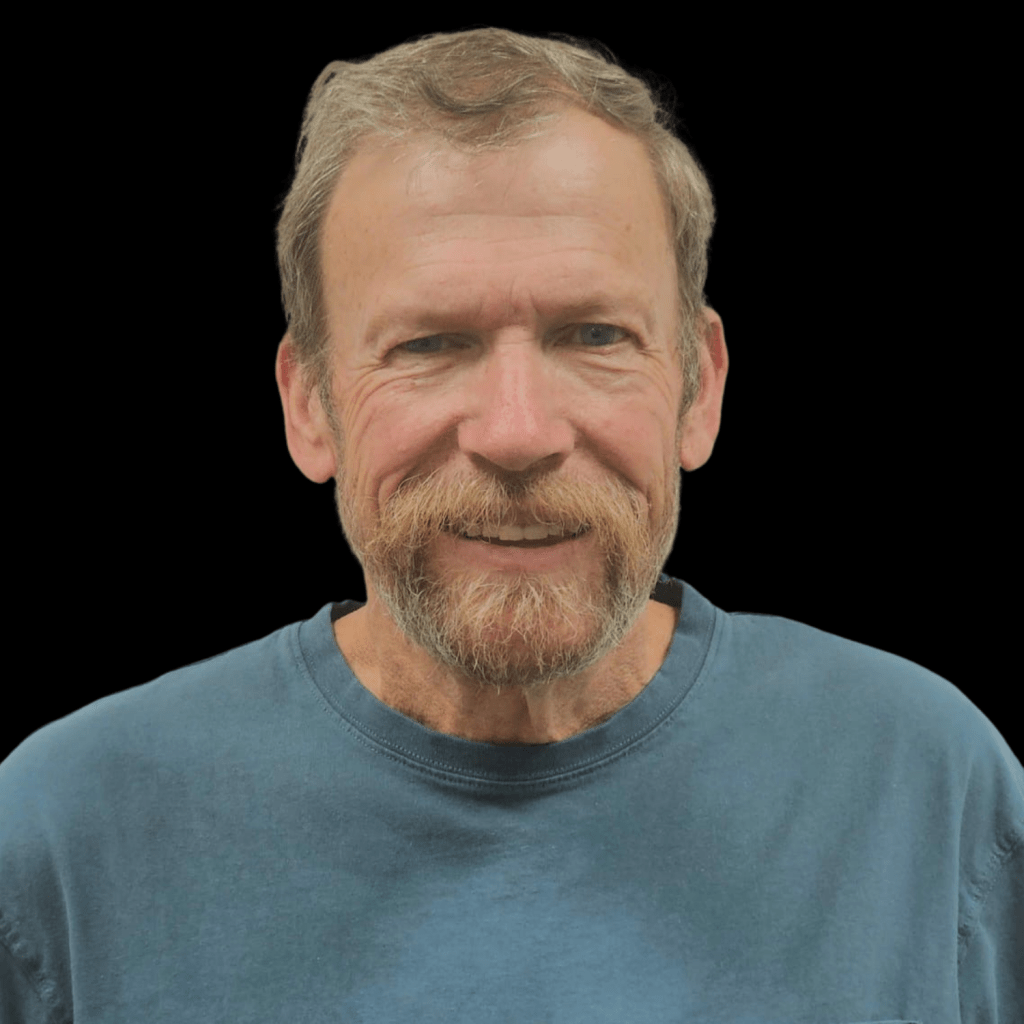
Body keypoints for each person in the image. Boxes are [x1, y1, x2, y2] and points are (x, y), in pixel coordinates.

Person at [1, 26, 1020, 1023]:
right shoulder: (62, 834)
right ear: (308, 403)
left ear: (699, 387)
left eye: (594, 334)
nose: (519, 433)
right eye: (430, 343)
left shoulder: (927, 786)